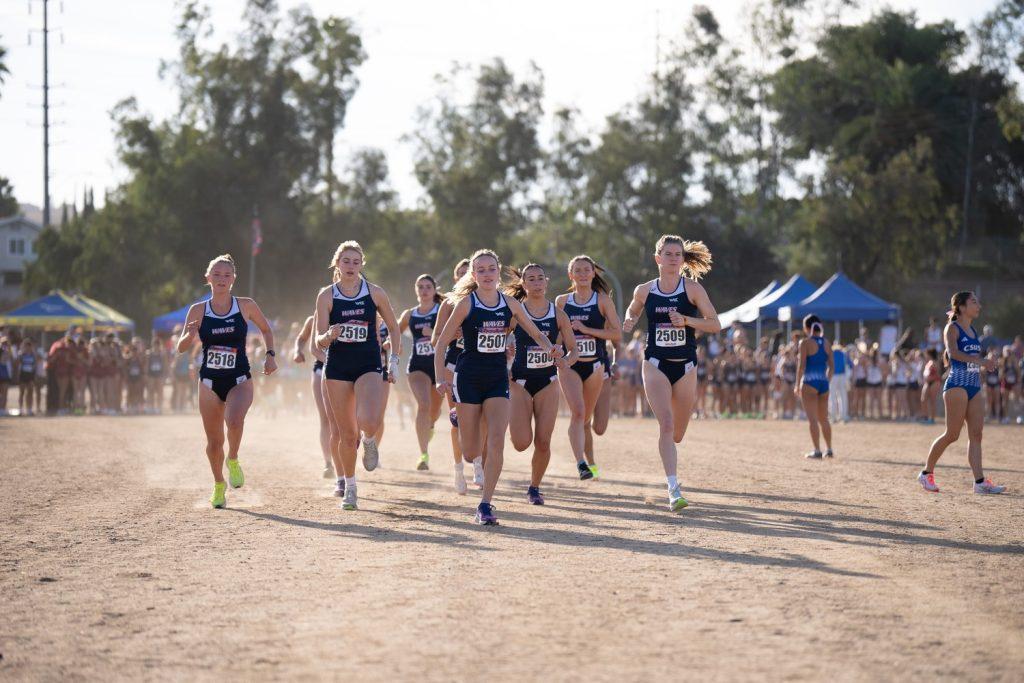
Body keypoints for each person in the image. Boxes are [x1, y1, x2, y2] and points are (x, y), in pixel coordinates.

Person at [433, 249, 564, 525]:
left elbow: (535, 331)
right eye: (480, 270)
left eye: (491, 269)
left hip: (497, 378)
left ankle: (485, 504)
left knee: (496, 441)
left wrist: (550, 348)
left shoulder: (510, 304)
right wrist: (439, 378)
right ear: (474, 275)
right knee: (471, 452)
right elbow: (441, 343)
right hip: (468, 377)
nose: (487, 274)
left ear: (498, 270)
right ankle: (462, 419)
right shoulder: (467, 304)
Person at [622, 235, 721, 512]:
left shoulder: (692, 290)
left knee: (677, 433)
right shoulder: (644, 290)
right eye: (668, 254)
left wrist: (688, 320)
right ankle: (673, 489)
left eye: (678, 254)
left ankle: (672, 475)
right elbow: (633, 309)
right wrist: (630, 319)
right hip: (654, 363)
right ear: (658, 258)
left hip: (686, 366)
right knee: (665, 424)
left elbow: (716, 324)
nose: (674, 258)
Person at [176, 253, 277, 509]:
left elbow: (266, 329)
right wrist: (189, 336)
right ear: (207, 278)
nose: (222, 279)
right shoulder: (198, 310)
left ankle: (233, 459)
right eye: (217, 275)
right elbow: (181, 348)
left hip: (239, 378)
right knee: (213, 443)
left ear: (233, 279)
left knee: (234, 420)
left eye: (227, 275)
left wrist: (270, 355)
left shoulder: (245, 305)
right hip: (209, 381)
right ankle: (219, 484)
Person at [313, 241, 401, 511]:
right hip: (337, 367)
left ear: (362, 265)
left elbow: (395, 328)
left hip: (368, 363)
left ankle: (371, 440)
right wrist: (329, 335)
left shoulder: (374, 293)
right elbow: (318, 340)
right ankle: (350, 487)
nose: (351, 266)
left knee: (369, 421)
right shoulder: (326, 296)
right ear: (337, 264)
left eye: (355, 262)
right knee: (346, 435)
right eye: (346, 261)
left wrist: (394, 362)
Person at [505, 263, 579, 505]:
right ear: (524, 285)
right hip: (519, 382)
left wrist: (563, 361)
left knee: (544, 441)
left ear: (546, 282)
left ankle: (534, 487)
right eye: (531, 280)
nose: (536, 283)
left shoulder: (558, 315)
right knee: (521, 443)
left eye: (540, 279)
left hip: (547, 382)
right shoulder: (516, 313)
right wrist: (505, 356)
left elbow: (574, 352)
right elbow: (499, 343)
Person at [917, 292, 1004, 494]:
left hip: (974, 385)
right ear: (962, 307)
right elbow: (954, 353)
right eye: (974, 302)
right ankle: (925, 473)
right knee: (952, 434)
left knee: (977, 434)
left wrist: (986, 365)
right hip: (956, 384)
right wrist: (982, 361)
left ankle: (980, 482)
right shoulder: (952, 328)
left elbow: (971, 358)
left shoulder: (973, 330)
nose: (978, 305)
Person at [555, 255, 622, 479]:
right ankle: (583, 464)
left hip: (596, 365)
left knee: (596, 426)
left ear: (594, 273)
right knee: (579, 413)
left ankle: (590, 461)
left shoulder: (602, 301)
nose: (583, 274)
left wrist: (586, 329)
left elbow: (617, 333)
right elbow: (555, 335)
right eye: (578, 270)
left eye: (587, 270)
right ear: (570, 275)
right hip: (570, 365)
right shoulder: (562, 302)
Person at [431, 259, 472, 493]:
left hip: (481, 365)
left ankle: (479, 465)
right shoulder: (448, 304)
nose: (466, 276)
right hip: (454, 364)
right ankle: (459, 470)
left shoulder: (488, 301)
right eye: (462, 273)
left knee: (482, 419)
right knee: (457, 420)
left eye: (470, 272)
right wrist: (452, 334)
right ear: (457, 279)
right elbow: (436, 341)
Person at [398, 275, 445, 472]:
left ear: (434, 290)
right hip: (417, 366)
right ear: (415, 290)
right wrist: (390, 344)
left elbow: (454, 334)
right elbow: (395, 331)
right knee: (423, 405)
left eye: (428, 287)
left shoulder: (442, 310)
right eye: (420, 287)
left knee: (434, 412)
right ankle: (423, 455)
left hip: (439, 367)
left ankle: (431, 425)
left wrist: (433, 333)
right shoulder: (410, 314)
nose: (424, 290)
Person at [293, 314, 334, 479]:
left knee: (345, 418)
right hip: (321, 370)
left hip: (345, 373)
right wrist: (297, 350)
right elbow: (302, 338)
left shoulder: (342, 316)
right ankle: (328, 463)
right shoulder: (313, 319)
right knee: (325, 419)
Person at [795, 315, 834, 458]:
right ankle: (829, 449)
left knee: (812, 419)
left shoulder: (805, 343)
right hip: (823, 383)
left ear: (807, 328)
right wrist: (826, 380)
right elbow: (832, 367)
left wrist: (797, 384)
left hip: (809, 382)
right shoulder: (827, 343)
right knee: (824, 419)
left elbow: (801, 366)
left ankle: (817, 450)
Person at [16, 338, 38, 416]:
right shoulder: (21, 354)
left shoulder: (33, 355)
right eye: (26, 345)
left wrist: (34, 375)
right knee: (22, 392)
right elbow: (17, 364)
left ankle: (29, 409)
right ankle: (20, 409)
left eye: (29, 345)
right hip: (23, 375)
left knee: (30, 393)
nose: (28, 347)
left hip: (30, 375)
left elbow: (35, 365)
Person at [828, 340, 848, 422]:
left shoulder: (830, 354)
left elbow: (827, 365)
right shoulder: (843, 354)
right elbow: (850, 364)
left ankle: (833, 416)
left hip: (833, 376)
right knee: (842, 396)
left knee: (832, 396)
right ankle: (843, 416)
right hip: (842, 376)